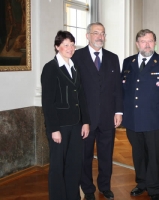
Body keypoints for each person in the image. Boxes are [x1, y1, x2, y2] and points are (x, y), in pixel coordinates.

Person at [121, 29, 159, 200]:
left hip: (155, 119)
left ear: (155, 43)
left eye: (150, 41)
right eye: (143, 41)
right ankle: (141, 183)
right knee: (138, 154)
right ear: (137, 43)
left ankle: (154, 189)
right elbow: (123, 90)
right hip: (133, 119)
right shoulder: (127, 62)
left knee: (154, 155)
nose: (147, 44)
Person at [72, 22, 123, 200]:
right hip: (85, 119)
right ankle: (87, 189)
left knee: (106, 156)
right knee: (84, 157)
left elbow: (117, 87)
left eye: (102, 33)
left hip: (108, 117)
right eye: (95, 33)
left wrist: (118, 111)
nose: (100, 36)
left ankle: (104, 187)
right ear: (87, 36)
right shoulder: (77, 57)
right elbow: (74, 89)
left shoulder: (113, 58)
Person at [41, 30, 90, 200]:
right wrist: (54, 129)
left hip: (76, 125)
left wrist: (85, 122)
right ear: (57, 47)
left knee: (74, 165)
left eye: (72, 44)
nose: (70, 48)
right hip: (59, 127)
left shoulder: (74, 67)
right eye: (66, 45)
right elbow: (47, 102)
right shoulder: (50, 68)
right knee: (57, 167)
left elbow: (81, 96)